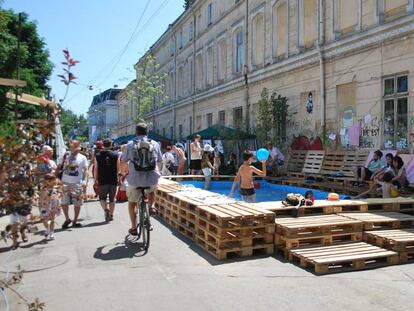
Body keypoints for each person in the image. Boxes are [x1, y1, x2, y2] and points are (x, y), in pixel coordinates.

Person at [120, 123, 163, 236]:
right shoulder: (154, 144)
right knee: (152, 189)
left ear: (136, 132)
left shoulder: (130, 144)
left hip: (134, 179)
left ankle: (134, 227)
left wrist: (123, 172)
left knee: (132, 202)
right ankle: (152, 206)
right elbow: (159, 160)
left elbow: (123, 161)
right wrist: (158, 171)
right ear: (147, 132)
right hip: (151, 177)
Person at [59, 140, 89, 229]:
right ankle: (67, 219)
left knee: (78, 202)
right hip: (64, 182)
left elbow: (86, 170)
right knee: (64, 202)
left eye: (76, 146)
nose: (75, 148)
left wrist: (85, 181)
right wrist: (56, 179)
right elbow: (59, 167)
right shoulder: (64, 155)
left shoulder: (82, 157)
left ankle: (75, 221)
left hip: (77, 183)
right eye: (73, 145)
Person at [94, 138, 119, 222]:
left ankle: (105, 209)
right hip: (113, 179)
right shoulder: (116, 155)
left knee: (102, 197)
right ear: (111, 145)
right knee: (112, 198)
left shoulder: (97, 155)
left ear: (102, 145)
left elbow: (96, 169)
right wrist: (119, 178)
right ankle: (111, 214)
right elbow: (118, 168)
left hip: (102, 179)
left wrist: (95, 180)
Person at [38, 174, 61, 240]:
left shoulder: (56, 187)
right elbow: (40, 199)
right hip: (45, 206)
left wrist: (58, 203)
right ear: (47, 181)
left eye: (54, 180)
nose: (54, 182)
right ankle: (47, 229)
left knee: (52, 220)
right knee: (44, 219)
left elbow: (57, 196)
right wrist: (40, 206)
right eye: (52, 180)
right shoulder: (43, 189)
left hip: (54, 205)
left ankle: (52, 233)